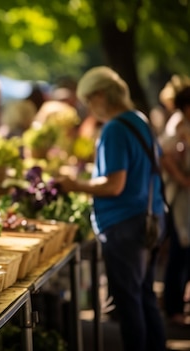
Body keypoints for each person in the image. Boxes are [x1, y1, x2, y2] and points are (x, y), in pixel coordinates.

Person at [57, 66, 167, 351]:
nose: (88, 108)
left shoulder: (116, 127)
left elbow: (114, 184)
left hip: (126, 223)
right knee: (144, 297)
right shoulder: (139, 120)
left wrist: (75, 185)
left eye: (88, 100)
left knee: (129, 302)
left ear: (101, 95)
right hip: (151, 216)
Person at [161, 86, 190, 326]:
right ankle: (174, 307)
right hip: (180, 201)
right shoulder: (179, 124)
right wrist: (182, 179)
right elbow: (165, 154)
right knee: (179, 255)